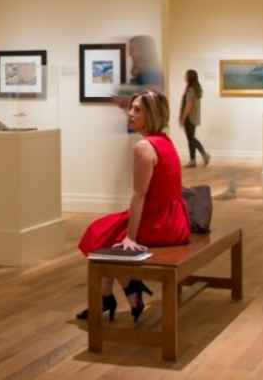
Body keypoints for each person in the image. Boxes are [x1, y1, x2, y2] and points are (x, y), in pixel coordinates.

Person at [77, 90, 191, 322]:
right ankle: (118, 295)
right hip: (175, 218)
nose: (130, 114)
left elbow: (139, 195)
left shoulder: (144, 147)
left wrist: (131, 237)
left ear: (152, 114)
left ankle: (116, 295)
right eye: (131, 108)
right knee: (105, 232)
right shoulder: (164, 141)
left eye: (137, 110)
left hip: (161, 223)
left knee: (99, 233)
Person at [180, 69, 210, 168]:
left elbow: (188, 105)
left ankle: (196, 158)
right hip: (194, 117)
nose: (184, 76)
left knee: (191, 139)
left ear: (190, 77)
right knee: (191, 138)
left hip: (189, 118)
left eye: (186, 75)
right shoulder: (195, 88)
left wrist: (183, 118)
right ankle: (200, 157)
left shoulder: (191, 89)